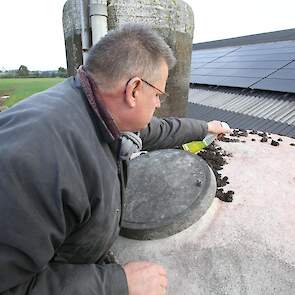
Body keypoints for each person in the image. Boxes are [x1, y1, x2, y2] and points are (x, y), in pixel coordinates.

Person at [0, 24, 229, 295]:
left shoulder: (90, 104)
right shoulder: (39, 160)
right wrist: (117, 284)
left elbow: (156, 129)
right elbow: (11, 286)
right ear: (133, 90)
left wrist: (205, 128)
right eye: (157, 94)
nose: (157, 104)